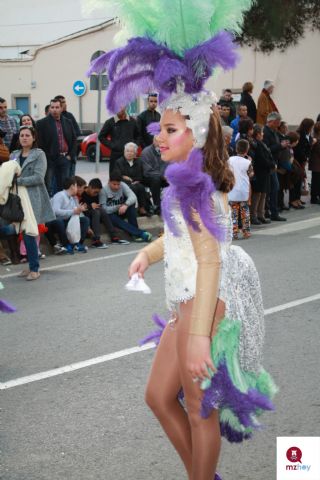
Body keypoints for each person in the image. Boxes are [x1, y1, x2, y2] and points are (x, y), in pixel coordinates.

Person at [90, 4, 277, 477]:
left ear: (193, 135)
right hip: (185, 302)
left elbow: (209, 261)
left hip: (200, 307)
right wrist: (146, 254)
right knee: (158, 396)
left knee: (199, 409)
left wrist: (198, 339)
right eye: (160, 129)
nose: (159, 137)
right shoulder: (181, 184)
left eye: (170, 130)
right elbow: (179, 243)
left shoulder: (194, 189)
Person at [9, 125, 55, 279]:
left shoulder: (39, 154)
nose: (24, 138)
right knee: (23, 232)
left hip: (33, 198)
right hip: (16, 199)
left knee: (29, 233)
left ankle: (35, 269)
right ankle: (30, 266)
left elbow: (38, 177)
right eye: (22, 135)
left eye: (27, 135)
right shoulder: (14, 155)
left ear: (34, 138)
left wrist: (17, 181)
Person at [36, 98, 77, 195]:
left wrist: (70, 155)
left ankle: (61, 207)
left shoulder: (68, 122)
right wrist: (46, 157)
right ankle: (48, 207)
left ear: (61, 108)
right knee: (48, 185)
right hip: (49, 159)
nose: (54, 109)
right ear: (49, 108)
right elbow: (39, 143)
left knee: (64, 186)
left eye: (57, 107)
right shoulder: (41, 123)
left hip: (64, 158)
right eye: (52, 107)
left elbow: (74, 140)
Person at [99, 172, 152, 242]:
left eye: (118, 184)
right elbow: (103, 209)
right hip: (111, 214)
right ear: (109, 182)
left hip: (121, 210)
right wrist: (116, 207)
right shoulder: (103, 191)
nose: (116, 187)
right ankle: (139, 233)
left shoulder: (123, 185)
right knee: (109, 216)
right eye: (114, 184)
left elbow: (133, 197)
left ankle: (135, 234)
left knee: (131, 206)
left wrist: (125, 205)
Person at [81, 178, 129, 247]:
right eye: (95, 192)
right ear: (90, 187)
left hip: (97, 215)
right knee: (96, 211)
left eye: (98, 192)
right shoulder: (82, 194)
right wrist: (90, 206)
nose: (96, 194)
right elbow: (79, 208)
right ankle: (96, 240)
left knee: (102, 210)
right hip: (87, 215)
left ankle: (113, 236)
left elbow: (100, 205)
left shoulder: (98, 194)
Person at [47, 177, 90, 254]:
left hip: (65, 220)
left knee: (85, 220)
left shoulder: (72, 198)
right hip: (52, 222)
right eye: (76, 186)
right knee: (59, 222)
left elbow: (74, 213)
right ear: (72, 186)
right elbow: (55, 211)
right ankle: (66, 245)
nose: (77, 189)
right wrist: (73, 211)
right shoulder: (60, 195)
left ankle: (77, 244)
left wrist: (79, 210)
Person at [98, 107, 140, 174]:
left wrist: (134, 146)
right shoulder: (110, 122)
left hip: (130, 156)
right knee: (115, 179)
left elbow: (138, 136)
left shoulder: (133, 121)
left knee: (129, 179)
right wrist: (113, 145)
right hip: (115, 156)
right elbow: (101, 137)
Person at [263, 112, 288, 221]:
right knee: (274, 188)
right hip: (269, 164)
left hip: (274, 163)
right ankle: (273, 212)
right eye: (277, 123)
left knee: (273, 188)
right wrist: (280, 145)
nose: (278, 125)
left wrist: (282, 146)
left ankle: (270, 211)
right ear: (271, 122)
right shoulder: (266, 132)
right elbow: (267, 149)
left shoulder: (273, 131)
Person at [114, 142, 151, 216]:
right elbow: (117, 176)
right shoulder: (119, 162)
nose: (129, 153)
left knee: (140, 187)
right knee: (133, 187)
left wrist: (133, 180)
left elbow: (140, 176)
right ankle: (131, 209)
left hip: (136, 183)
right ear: (124, 152)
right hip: (123, 184)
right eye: (127, 151)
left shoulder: (139, 162)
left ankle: (142, 208)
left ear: (135, 153)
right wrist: (124, 178)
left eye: (131, 151)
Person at [228, 139, 252, 239]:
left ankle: (234, 232)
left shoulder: (229, 160)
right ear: (247, 150)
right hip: (243, 190)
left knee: (233, 212)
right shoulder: (247, 162)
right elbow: (251, 174)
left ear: (236, 149)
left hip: (232, 189)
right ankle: (246, 231)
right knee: (244, 211)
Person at [250, 124, 274, 224]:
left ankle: (261, 214)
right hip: (260, 172)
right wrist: (271, 164)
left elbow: (268, 155)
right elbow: (261, 159)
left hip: (265, 172)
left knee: (263, 194)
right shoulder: (257, 144)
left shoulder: (261, 143)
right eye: (262, 132)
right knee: (257, 194)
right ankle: (254, 215)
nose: (263, 134)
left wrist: (272, 163)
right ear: (258, 134)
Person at [141, 135, 168, 214]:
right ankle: (157, 206)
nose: (160, 144)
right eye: (158, 141)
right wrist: (162, 176)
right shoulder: (146, 152)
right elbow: (147, 171)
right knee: (156, 180)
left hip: (163, 177)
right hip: (149, 178)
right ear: (153, 141)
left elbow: (170, 164)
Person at [293, 117, 315, 206]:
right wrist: (305, 158)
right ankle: (294, 199)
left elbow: (308, 146)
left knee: (300, 180)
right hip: (297, 160)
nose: (312, 128)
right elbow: (298, 149)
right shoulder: (299, 134)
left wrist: (307, 157)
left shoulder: (308, 134)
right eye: (311, 126)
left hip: (303, 160)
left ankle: (298, 198)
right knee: (296, 180)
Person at [309, 121, 320, 204]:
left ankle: (316, 197)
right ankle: (314, 198)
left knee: (316, 180)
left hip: (316, 162)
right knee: (316, 181)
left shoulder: (316, 136)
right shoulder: (315, 137)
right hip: (316, 162)